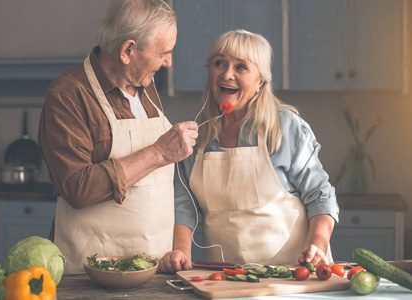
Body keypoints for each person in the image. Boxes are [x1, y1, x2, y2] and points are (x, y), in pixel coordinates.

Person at [158, 30, 339, 274]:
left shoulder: (286, 128)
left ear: (260, 83)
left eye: (241, 67)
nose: (227, 74)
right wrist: (180, 251)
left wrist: (317, 244)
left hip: (293, 277)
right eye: (219, 63)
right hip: (228, 280)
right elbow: (183, 205)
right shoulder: (194, 138)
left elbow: (320, 195)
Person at [38, 0, 198, 274]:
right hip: (91, 276)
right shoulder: (68, 96)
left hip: (153, 271)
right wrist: (158, 153)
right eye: (163, 53)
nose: (168, 62)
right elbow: (77, 188)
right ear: (128, 51)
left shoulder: (145, 85)